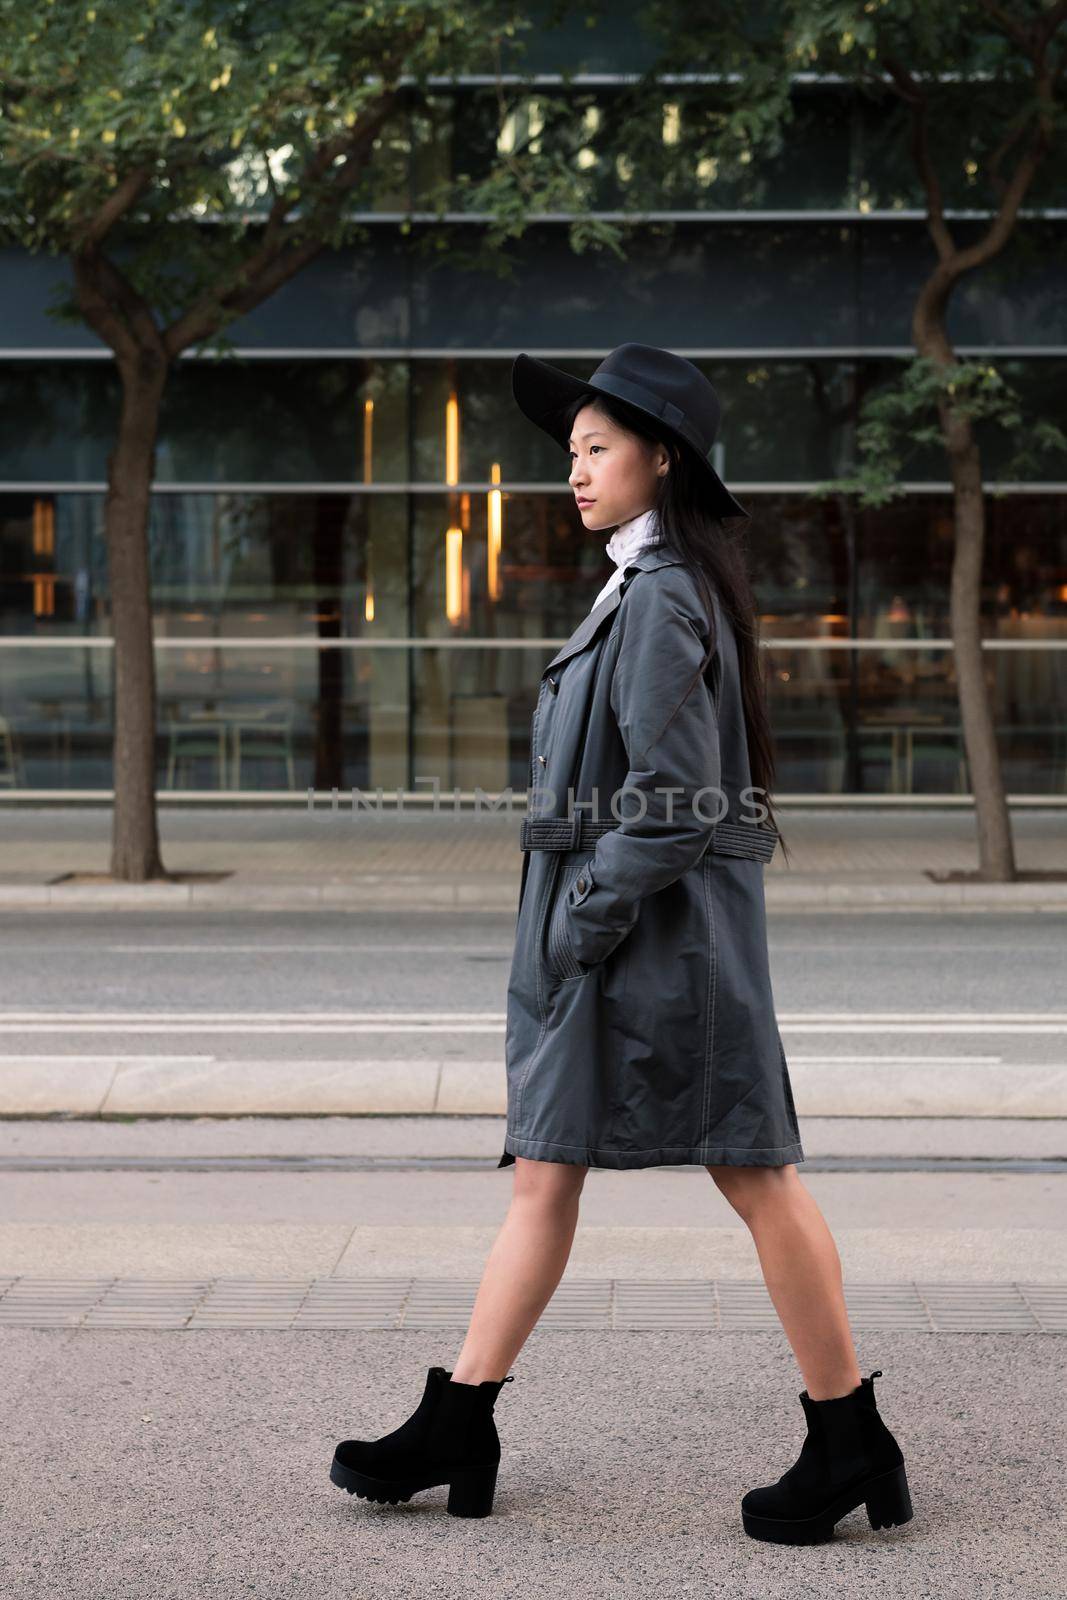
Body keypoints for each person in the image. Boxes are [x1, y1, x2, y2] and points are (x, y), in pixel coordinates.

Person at [330, 344, 913, 1544]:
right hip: (631, 932)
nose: (575, 470)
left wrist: (578, 918)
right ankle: (460, 1418)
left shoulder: (658, 596)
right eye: (570, 451)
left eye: (597, 447)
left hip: (651, 940)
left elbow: (672, 796)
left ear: (663, 456)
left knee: (750, 1168)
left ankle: (847, 1434)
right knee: (547, 1165)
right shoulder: (644, 585)